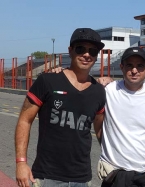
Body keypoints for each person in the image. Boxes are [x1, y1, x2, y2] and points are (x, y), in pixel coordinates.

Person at [15, 28, 106, 187]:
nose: (87, 54)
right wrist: (21, 163)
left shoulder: (99, 91)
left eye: (92, 51)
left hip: (82, 179)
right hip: (47, 177)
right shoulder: (48, 81)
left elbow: (100, 131)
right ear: (70, 51)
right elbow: (25, 120)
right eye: (80, 49)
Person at [96, 47, 145, 187]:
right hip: (115, 175)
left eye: (140, 66)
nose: (134, 70)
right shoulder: (108, 90)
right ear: (121, 67)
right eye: (129, 65)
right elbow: (98, 125)